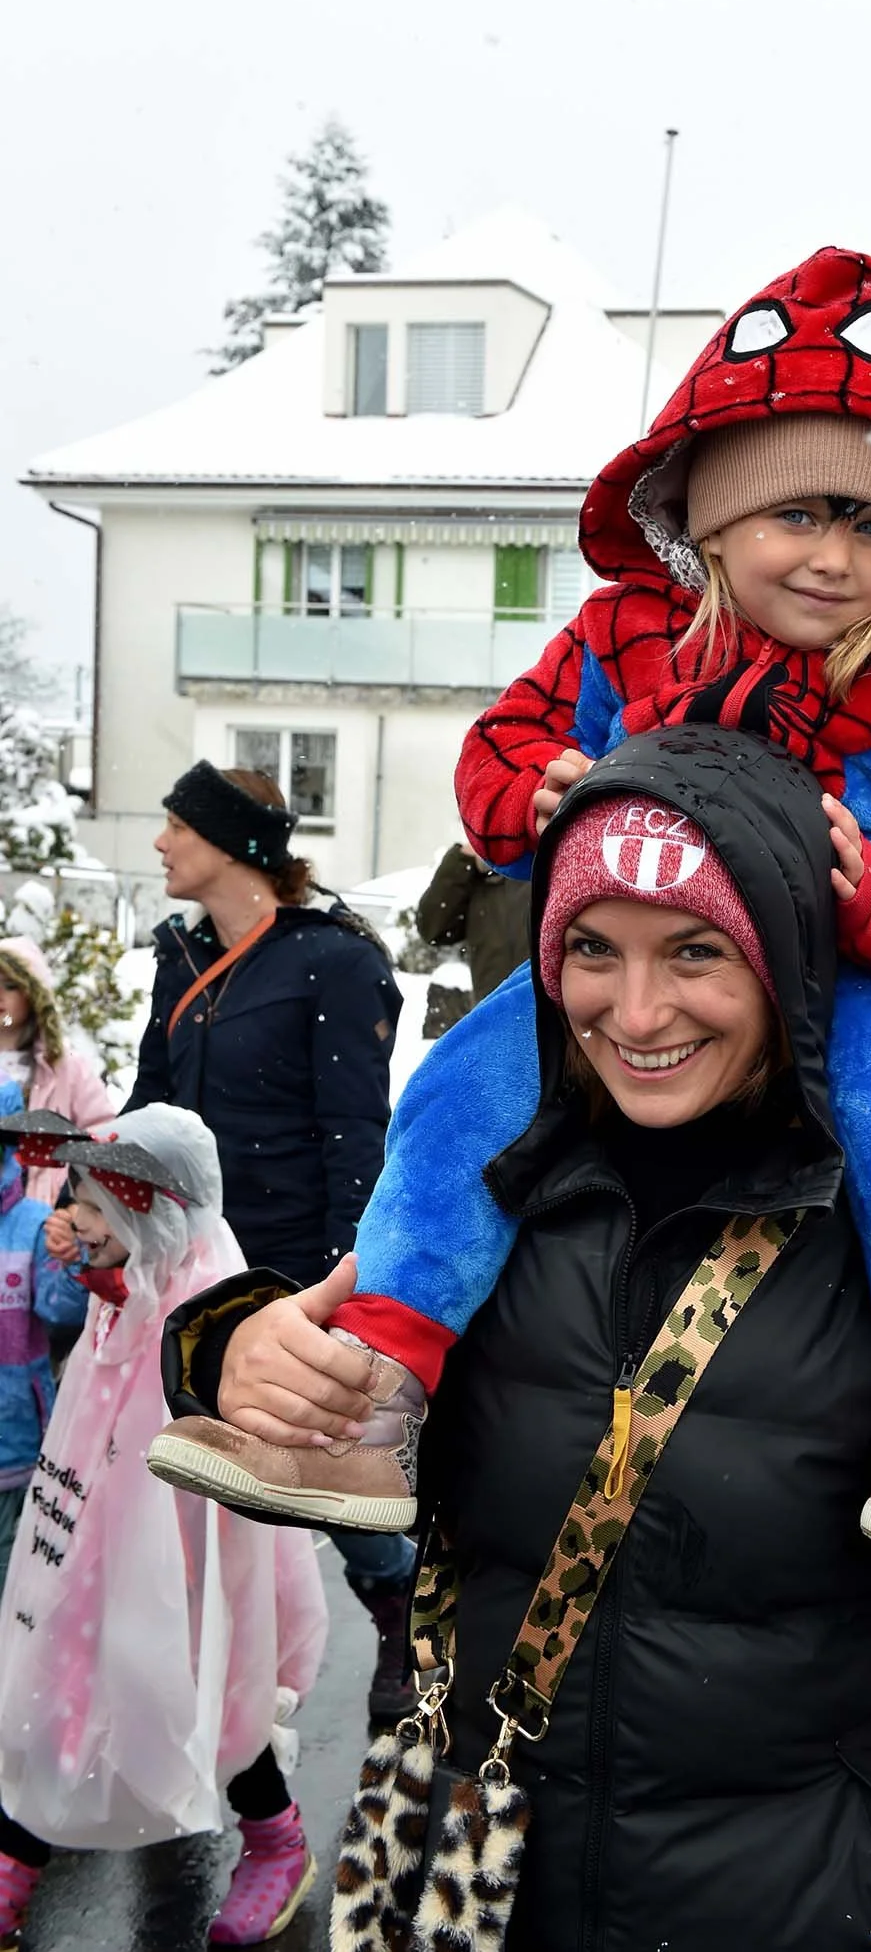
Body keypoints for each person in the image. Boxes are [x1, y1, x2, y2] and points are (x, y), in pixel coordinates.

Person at [156, 728, 871, 1950]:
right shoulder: (486, 1191)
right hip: (477, 1871)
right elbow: (341, 1445)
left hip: (806, 1887)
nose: (634, 1011)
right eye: (592, 950)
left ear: (786, 962)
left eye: (695, 953)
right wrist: (230, 1349)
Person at [153, 247, 871, 1602]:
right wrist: (540, 795)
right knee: (461, 1090)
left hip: (856, 988)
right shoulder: (619, 640)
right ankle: (379, 1382)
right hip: (486, 1758)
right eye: (797, 513)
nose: (835, 554)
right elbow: (499, 756)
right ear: (709, 520)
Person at [126, 761, 414, 1722]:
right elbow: (148, 1114)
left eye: (177, 825)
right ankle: (214, 1686)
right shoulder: (180, 956)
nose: (161, 843)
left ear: (231, 842)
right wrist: (98, 1198)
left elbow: (354, 1139)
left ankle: (401, 1605)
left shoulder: (331, 960)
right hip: (188, 1269)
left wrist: (346, 1304)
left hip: (284, 1276)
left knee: (298, 1484)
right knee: (196, 1476)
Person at [0, 1104, 327, 1948]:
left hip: (187, 1550)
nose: (74, 1218)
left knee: (212, 1690)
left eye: (96, 1205)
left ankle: (278, 1840)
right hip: (99, 1527)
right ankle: (18, 1855)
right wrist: (94, 1265)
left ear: (155, 1216)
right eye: (73, 1195)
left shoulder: (211, 1320)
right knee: (62, 1672)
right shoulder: (133, 1287)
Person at [0, 1081, 88, 1595]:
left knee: (14, 1591)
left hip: (18, 1446)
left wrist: (68, 1258)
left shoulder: (33, 1224)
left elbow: (61, 1311)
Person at [0, 938, 114, 1205]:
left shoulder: (65, 1068)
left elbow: (103, 1132)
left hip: (45, 1215)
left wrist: (72, 1195)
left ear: (33, 995)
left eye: (10, 985)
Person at [415, 843, 532, 999]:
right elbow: (433, 929)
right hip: (491, 1012)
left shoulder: (555, 863)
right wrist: (463, 860)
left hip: (555, 1015)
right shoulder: (482, 872)